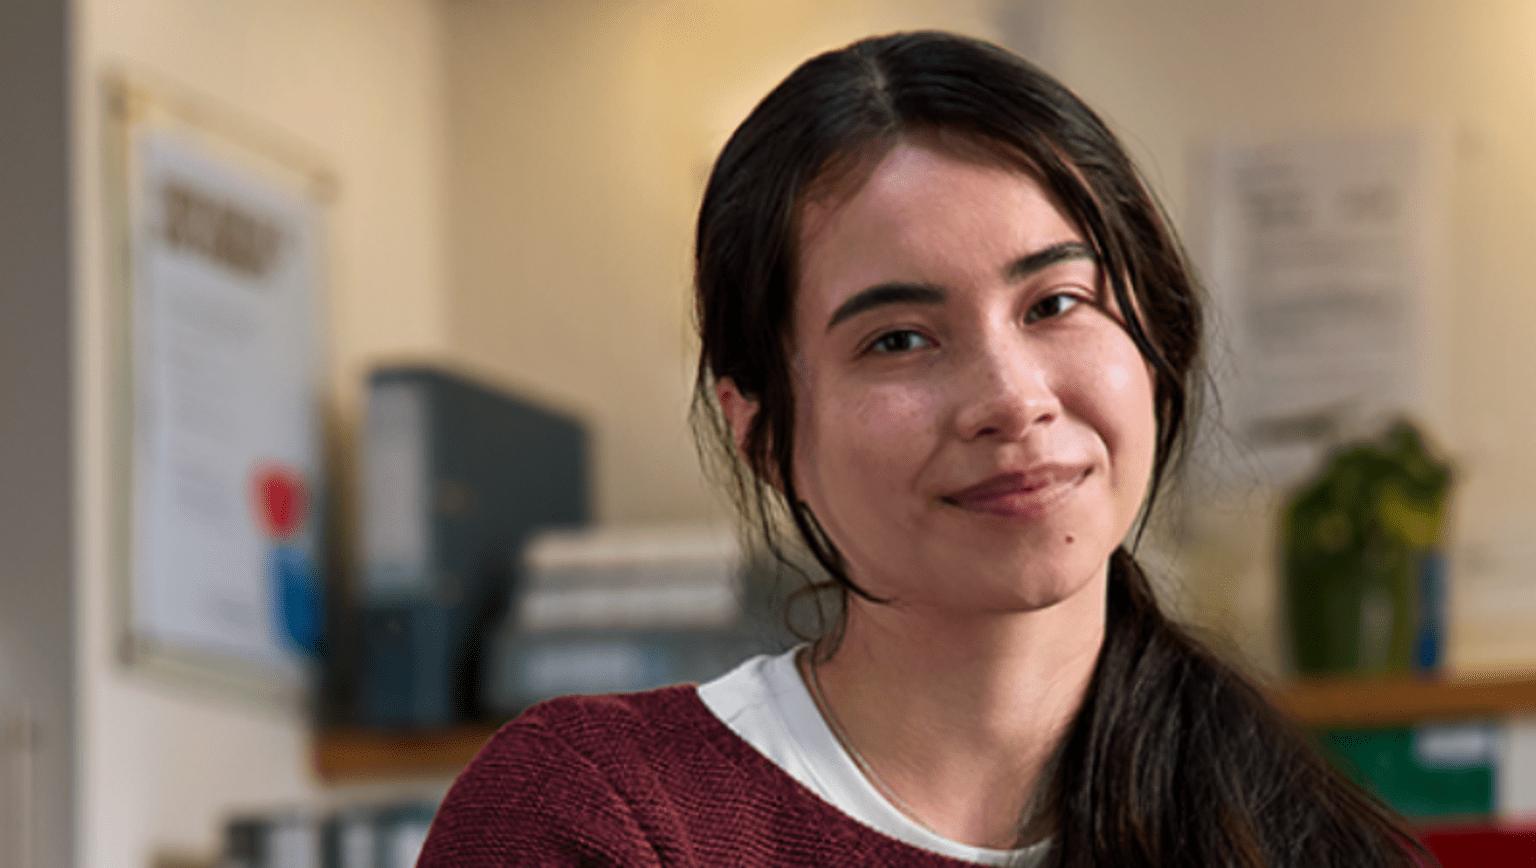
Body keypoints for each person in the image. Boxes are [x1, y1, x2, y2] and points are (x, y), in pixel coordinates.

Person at [419, 31, 1426, 867]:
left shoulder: (1314, 845)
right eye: (897, 338)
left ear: (1152, 342)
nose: (1010, 398)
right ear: (762, 430)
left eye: (1056, 303)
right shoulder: (600, 812)